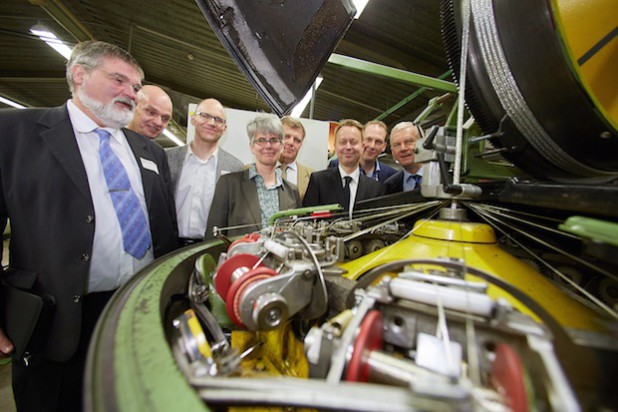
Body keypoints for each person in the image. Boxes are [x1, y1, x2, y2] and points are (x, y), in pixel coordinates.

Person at [0, 40, 179, 411]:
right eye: (119, 80)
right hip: (55, 319)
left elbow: (166, 232)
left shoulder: (150, 152)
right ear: (78, 74)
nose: (130, 92)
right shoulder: (15, 133)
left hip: (137, 311)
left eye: (135, 86)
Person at [205, 114, 300, 240]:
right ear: (252, 147)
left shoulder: (292, 191)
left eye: (274, 140)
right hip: (240, 259)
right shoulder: (229, 184)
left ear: (281, 147)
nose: (268, 146)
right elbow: (213, 236)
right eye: (261, 140)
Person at [166, 98, 244, 246]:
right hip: (170, 246)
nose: (211, 123)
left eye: (218, 119)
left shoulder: (235, 167)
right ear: (193, 119)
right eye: (205, 115)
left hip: (211, 247)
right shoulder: (168, 159)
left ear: (224, 128)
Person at [303, 119, 385, 215]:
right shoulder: (318, 182)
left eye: (353, 142)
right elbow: (306, 219)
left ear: (363, 146)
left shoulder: (376, 189)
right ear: (335, 146)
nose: (348, 147)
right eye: (342, 142)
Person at [328, 120, 397, 183]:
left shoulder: (391, 176)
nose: (372, 146)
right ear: (361, 141)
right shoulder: (336, 165)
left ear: (384, 146)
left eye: (378, 142)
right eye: (368, 139)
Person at [279, 116, 314, 200]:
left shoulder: (312, 176)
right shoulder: (251, 171)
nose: (291, 142)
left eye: (297, 140)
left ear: (301, 145)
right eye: (286, 136)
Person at [384, 122, 423, 194]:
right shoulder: (389, 186)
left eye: (408, 142)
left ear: (423, 143)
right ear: (392, 152)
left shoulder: (444, 177)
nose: (403, 148)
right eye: (397, 145)